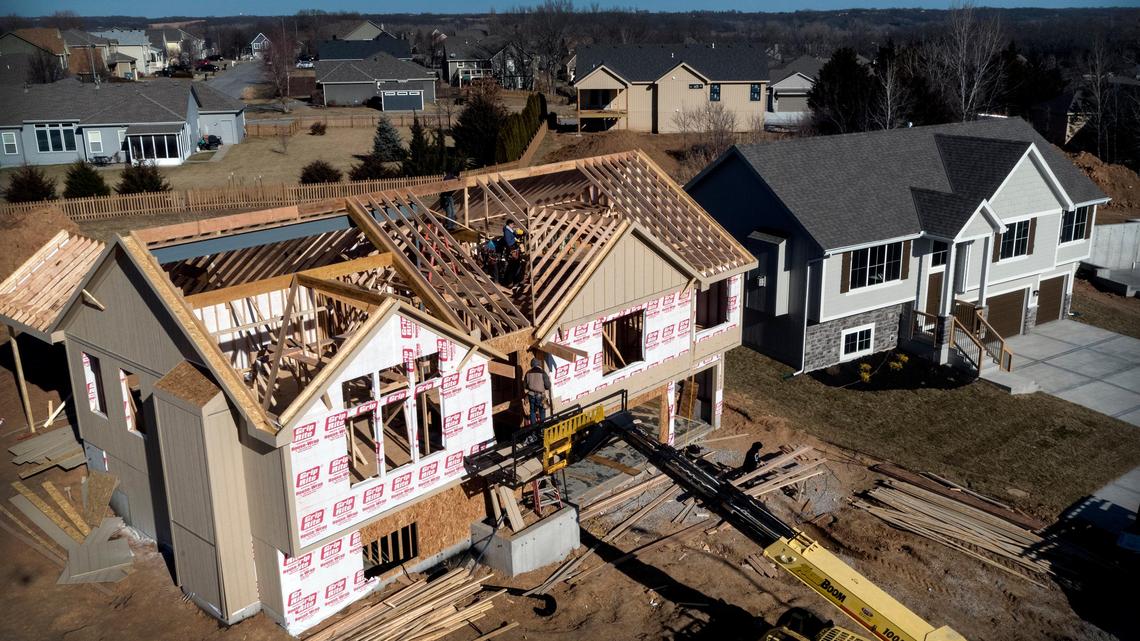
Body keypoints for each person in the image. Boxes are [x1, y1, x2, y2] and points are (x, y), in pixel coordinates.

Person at [524, 357, 551, 425]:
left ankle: (534, 428)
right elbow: (548, 386)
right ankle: (541, 428)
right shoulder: (543, 373)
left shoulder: (528, 373)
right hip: (540, 396)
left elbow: (525, 385)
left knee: (532, 411)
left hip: (531, 395)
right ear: (538, 364)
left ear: (531, 365)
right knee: (542, 411)